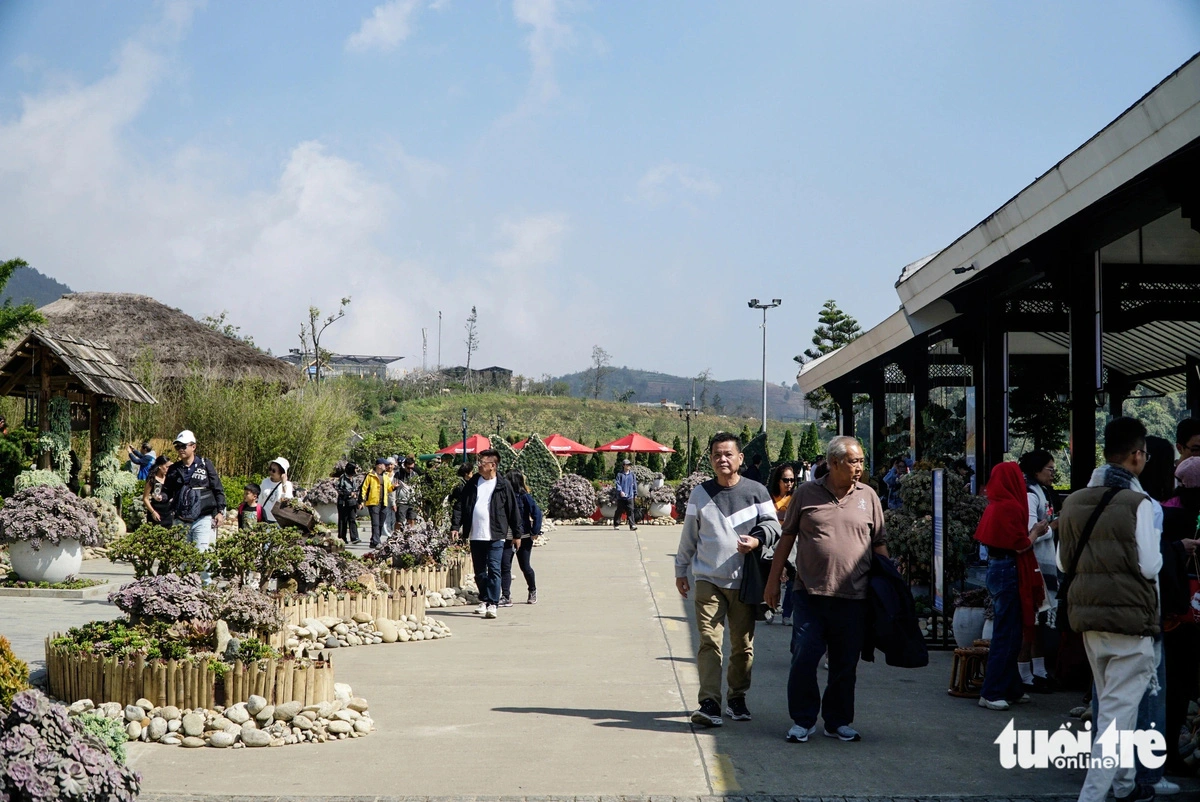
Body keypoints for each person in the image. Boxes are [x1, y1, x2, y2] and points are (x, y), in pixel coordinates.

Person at [1058, 416, 1161, 802]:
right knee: (1117, 716)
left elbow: (1064, 563)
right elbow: (1150, 566)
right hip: (1131, 621)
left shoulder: (1072, 502)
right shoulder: (1140, 504)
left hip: (1089, 620)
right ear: (1136, 455)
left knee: (1114, 707)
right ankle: (1094, 794)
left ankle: (1124, 784)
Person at [765, 435, 887, 743]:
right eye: (854, 461)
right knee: (804, 657)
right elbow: (787, 538)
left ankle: (837, 721)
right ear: (834, 463)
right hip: (809, 593)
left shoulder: (868, 496)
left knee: (845, 663)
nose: (860, 467)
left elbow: (880, 543)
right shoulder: (806, 493)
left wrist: (889, 588)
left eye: (861, 461)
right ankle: (803, 720)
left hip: (854, 596)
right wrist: (772, 582)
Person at [675, 432, 780, 728]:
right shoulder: (700, 494)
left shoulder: (757, 491)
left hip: (745, 581)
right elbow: (689, 536)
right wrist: (681, 570)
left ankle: (736, 696)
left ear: (740, 459)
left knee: (742, 646)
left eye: (728, 454)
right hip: (708, 579)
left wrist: (757, 542)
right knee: (709, 641)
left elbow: (774, 526)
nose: (722, 459)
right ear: (710, 460)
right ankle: (709, 703)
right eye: (716, 455)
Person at [973, 461, 1046, 711]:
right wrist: (1036, 530)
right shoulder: (1012, 507)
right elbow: (1020, 544)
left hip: (997, 568)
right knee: (1007, 633)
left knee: (1011, 631)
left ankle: (1011, 686)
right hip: (1009, 569)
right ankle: (992, 691)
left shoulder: (995, 505)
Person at [451, 449, 522, 619]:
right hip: (476, 535)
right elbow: (461, 505)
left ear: (492, 466)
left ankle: (493, 603)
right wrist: (455, 526)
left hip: (496, 535)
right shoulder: (473, 482)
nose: (479, 466)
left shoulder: (503, 485)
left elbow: (513, 511)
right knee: (480, 572)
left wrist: (517, 534)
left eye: (482, 463)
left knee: (494, 570)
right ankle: (484, 599)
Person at [1017, 449, 1058, 692]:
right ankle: (1025, 674)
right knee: (1032, 621)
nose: (1053, 473)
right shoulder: (1030, 494)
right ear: (1035, 470)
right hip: (1035, 565)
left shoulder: (1041, 492)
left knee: (1041, 622)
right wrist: (1053, 527)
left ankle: (1039, 671)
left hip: (1045, 562)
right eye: (1049, 469)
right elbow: (1031, 531)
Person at [163, 430, 226, 562]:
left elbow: (218, 488)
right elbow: (167, 491)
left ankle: (205, 583)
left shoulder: (205, 464)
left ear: (193, 446)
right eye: (177, 446)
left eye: (183, 446)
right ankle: (186, 583)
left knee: (202, 559)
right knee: (183, 561)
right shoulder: (174, 469)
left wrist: (220, 512)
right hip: (181, 520)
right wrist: (161, 497)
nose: (180, 449)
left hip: (203, 518)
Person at [500, 469, 541, 606]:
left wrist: (535, 531)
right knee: (504, 566)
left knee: (525, 566)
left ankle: (532, 590)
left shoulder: (524, 496)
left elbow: (537, 513)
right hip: (506, 537)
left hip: (523, 537)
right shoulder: (502, 495)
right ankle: (506, 596)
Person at [767, 463, 799, 625]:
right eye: (785, 480)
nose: (789, 483)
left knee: (793, 578)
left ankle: (787, 613)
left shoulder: (796, 498)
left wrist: (780, 515)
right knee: (773, 576)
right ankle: (771, 609)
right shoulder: (769, 498)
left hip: (793, 545)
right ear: (778, 480)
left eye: (792, 480)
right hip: (772, 542)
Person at [359, 458, 390, 548]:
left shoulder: (385, 476)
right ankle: (377, 542)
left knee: (381, 522)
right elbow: (363, 489)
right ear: (379, 465)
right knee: (375, 523)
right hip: (373, 502)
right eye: (385, 464)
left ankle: (374, 540)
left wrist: (394, 487)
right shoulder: (370, 475)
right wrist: (361, 501)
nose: (386, 466)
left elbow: (389, 488)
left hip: (383, 502)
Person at [258, 457, 294, 523]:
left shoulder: (288, 485)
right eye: (270, 469)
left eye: (274, 470)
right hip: (264, 518)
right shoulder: (265, 482)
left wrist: (283, 484)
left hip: (278, 520)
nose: (271, 472)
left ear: (281, 472)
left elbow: (287, 501)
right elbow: (260, 498)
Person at [142, 455, 173, 527]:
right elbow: (145, 498)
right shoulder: (152, 479)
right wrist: (153, 512)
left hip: (168, 513)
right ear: (160, 466)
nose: (168, 469)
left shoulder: (169, 478)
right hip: (156, 512)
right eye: (166, 467)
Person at [448, 462, 475, 540]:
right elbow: (458, 506)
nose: (473, 474)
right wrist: (455, 526)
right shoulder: (460, 486)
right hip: (461, 514)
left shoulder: (465, 483)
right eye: (472, 472)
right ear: (466, 474)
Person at [336, 462, 361, 544]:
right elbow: (339, 489)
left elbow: (357, 488)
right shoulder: (342, 478)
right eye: (355, 468)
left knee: (352, 519)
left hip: (352, 502)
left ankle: (354, 537)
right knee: (343, 520)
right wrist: (349, 493)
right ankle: (342, 537)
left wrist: (358, 498)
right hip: (343, 502)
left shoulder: (354, 478)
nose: (356, 470)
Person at [614, 459, 638, 531]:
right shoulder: (619, 474)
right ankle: (616, 524)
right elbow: (617, 484)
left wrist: (635, 493)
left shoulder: (632, 475)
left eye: (629, 465)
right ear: (623, 465)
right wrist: (620, 491)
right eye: (627, 465)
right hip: (621, 497)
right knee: (619, 510)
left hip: (630, 495)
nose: (628, 466)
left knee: (630, 510)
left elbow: (634, 484)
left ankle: (632, 525)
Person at [382, 457, 399, 537]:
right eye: (388, 464)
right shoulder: (383, 475)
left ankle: (393, 533)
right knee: (386, 517)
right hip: (385, 499)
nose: (389, 466)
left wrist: (394, 502)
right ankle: (388, 533)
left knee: (395, 517)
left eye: (391, 464)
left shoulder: (396, 475)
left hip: (395, 498)